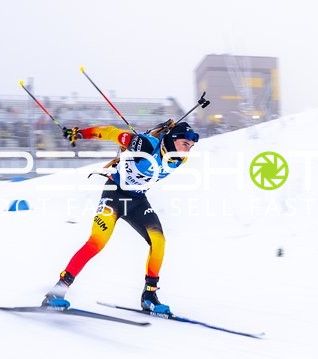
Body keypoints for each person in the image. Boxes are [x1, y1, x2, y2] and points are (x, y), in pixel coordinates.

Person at [42, 120, 200, 314]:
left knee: (158, 241)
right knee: (97, 242)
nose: (187, 151)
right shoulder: (145, 144)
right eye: (185, 144)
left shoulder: (180, 159)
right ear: (174, 139)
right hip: (114, 195)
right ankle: (56, 292)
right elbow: (110, 132)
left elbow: (163, 146)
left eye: (191, 147)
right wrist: (80, 133)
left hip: (137, 201)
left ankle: (149, 296)